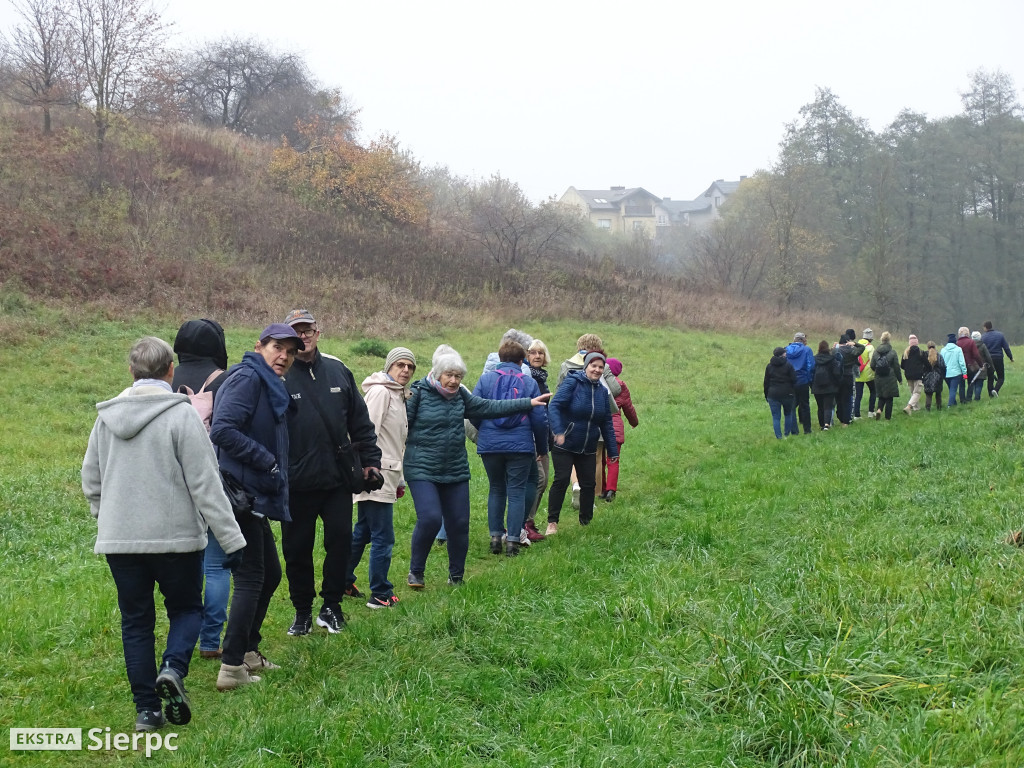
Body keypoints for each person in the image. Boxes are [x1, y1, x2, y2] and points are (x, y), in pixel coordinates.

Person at [82, 336, 245, 732]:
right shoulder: (181, 414)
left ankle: (147, 711)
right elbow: (207, 485)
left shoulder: (107, 417)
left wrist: (109, 519)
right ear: (170, 371)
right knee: (187, 609)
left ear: (131, 372)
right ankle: (172, 668)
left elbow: (91, 479)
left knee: (136, 621)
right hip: (176, 540)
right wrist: (232, 539)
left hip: (121, 541)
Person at [405, 348, 549, 586]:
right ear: (438, 373)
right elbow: (401, 424)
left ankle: (456, 577)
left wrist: (527, 403)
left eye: (458, 376)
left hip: (455, 468)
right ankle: (416, 571)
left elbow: (489, 407)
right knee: (430, 518)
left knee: (459, 523)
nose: (453, 381)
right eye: (449, 375)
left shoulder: (461, 395)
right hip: (422, 467)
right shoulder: (419, 393)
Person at [210, 323, 302, 691]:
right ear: (259, 346)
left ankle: (247, 651)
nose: (284, 356)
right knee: (251, 577)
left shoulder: (269, 383)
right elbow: (223, 429)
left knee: (271, 575)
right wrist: (267, 460)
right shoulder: (247, 378)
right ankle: (231, 667)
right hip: (240, 495)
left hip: (256, 496)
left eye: (290, 351)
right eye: (277, 347)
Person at [279, 309, 382, 636]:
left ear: (318, 332)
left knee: (340, 543)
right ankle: (302, 611)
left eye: (308, 330)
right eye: (297, 332)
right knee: (297, 550)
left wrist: (371, 462)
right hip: (296, 483)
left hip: (337, 479)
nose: (304, 336)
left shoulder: (339, 371)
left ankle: (332, 606)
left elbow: (361, 424)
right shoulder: (279, 376)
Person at [171, 319, 231, 661]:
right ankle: (210, 641)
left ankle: (182, 631)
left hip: (173, 483)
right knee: (217, 566)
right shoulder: (224, 380)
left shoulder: (166, 378)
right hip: (212, 479)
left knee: (182, 565)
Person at [346, 347, 415, 608]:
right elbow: (365, 432)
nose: (406, 370)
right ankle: (380, 593)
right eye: (400, 365)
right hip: (375, 474)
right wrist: (367, 470)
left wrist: (399, 479)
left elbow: (396, 442)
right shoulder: (381, 392)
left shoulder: (398, 395)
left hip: (388, 473)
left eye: (410, 366)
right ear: (389, 367)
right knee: (383, 536)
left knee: (363, 531)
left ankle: (342, 578)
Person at [471, 339, 549, 557]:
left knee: (496, 488)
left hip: (491, 445)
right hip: (520, 445)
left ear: (500, 357)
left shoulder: (485, 380)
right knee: (516, 492)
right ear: (521, 360)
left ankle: (495, 537)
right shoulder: (529, 382)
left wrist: (483, 431)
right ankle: (513, 540)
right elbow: (539, 418)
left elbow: (474, 410)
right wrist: (542, 447)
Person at [547, 352, 619, 532]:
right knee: (562, 480)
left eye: (600, 367)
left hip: (588, 445)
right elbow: (554, 405)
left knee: (589, 484)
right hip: (565, 442)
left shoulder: (603, 392)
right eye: (593, 366)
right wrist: (558, 431)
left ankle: (585, 523)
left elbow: (606, 422)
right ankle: (552, 523)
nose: (597, 370)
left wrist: (612, 450)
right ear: (586, 366)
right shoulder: (573, 383)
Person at [557, 333, 621, 505]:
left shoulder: (567, 364)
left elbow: (559, 391)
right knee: (596, 456)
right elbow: (615, 389)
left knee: (571, 454)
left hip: (571, 420)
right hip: (596, 415)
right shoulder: (602, 365)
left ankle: (576, 484)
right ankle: (594, 494)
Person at [523, 339, 552, 541]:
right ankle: (523, 522)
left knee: (544, 481)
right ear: (526, 355)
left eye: (540, 352)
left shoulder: (541, 379)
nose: (537, 356)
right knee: (537, 479)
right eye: (532, 352)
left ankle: (529, 522)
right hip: (529, 436)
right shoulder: (525, 378)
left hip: (543, 435)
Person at [603, 357, 638, 502]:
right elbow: (628, 407)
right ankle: (611, 490)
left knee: (599, 460)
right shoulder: (621, 386)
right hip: (615, 427)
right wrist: (634, 422)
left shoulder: (599, 382)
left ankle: (600, 488)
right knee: (613, 459)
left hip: (599, 427)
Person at [763, 346, 797, 438]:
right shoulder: (788, 365)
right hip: (787, 393)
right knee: (788, 414)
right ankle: (787, 434)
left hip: (773, 394)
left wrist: (766, 394)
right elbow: (794, 379)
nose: (786, 354)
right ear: (782, 355)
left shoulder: (769, 366)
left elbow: (766, 382)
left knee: (776, 417)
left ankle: (779, 436)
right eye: (785, 353)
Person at [785, 332, 815, 435]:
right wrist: (809, 378)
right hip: (803, 381)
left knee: (792, 406)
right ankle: (807, 429)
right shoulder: (807, 349)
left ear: (794, 339)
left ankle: (794, 430)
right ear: (803, 340)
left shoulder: (786, 349)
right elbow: (810, 365)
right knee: (805, 405)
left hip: (790, 382)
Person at [834, 332, 865, 426]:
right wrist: (855, 344)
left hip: (837, 376)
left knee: (838, 398)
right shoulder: (852, 351)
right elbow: (862, 348)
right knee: (847, 399)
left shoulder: (836, 351)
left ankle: (840, 416)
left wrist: (835, 346)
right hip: (848, 376)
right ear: (848, 341)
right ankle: (846, 421)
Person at [869, 331, 902, 420]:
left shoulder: (876, 352)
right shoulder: (893, 352)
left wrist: (877, 371)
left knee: (881, 396)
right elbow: (896, 367)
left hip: (879, 377)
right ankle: (887, 417)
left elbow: (872, 365)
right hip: (890, 377)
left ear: (881, 339)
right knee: (889, 398)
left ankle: (879, 410)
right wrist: (900, 379)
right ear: (889, 340)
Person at [811, 340, 841, 431]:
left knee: (820, 407)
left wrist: (812, 384)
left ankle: (821, 425)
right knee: (828, 406)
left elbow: (811, 372)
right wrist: (837, 383)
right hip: (830, 386)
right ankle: (827, 424)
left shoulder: (814, 359)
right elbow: (836, 373)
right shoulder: (832, 359)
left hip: (817, 386)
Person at [980, 320, 1013, 397]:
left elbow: (981, 350)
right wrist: (1010, 357)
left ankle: (991, 395)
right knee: (1001, 377)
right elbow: (1006, 347)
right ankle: (996, 389)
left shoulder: (983, 337)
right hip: (998, 358)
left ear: (985, 327)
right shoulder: (1000, 335)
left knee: (990, 377)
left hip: (988, 359)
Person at [956, 326, 984, 402]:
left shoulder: (957, 343)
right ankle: (968, 398)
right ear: (968, 333)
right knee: (971, 382)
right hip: (970, 365)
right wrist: (981, 365)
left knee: (961, 384)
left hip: (960, 367)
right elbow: (976, 355)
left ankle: (962, 399)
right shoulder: (971, 342)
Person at [939, 333, 967, 408]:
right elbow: (962, 363)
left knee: (951, 389)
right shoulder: (958, 349)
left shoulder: (943, 350)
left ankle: (954, 403)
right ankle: (950, 405)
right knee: (953, 389)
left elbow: (941, 362)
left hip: (946, 373)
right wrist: (964, 373)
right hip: (956, 373)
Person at [900, 334, 925, 415]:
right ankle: (909, 406)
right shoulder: (921, 352)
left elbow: (902, 365)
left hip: (908, 375)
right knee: (917, 392)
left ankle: (916, 408)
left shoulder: (905, 352)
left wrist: (908, 369)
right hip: (918, 375)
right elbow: (927, 364)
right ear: (917, 342)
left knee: (913, 392)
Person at [854, 329, 876, 419]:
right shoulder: (870, 347)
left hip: (857, 373)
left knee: (858, 395)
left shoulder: (856, 345)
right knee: (873, 391)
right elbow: (872, 362)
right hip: (868, 374)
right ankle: (871, 411)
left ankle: (857, 415)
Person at [922, 341, 946, 412]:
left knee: (929, 394)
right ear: (935, 347)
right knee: (938, 393)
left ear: (927, 347)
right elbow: (943, 366)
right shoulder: (939, 356)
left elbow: (922, 367)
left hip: (927, 377)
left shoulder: (924, 356)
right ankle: (939, 407)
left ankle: (928, 408)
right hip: (938, 376)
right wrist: (943, 376)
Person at [971, 331, 994, 402]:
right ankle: (977, 398)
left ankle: (975, 396)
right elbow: (988, 357)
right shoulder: (983, 346)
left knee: (974, 382)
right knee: (979, 384)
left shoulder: (970, 345)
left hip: (971, 367)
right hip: (982, 367)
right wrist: (991, 366)